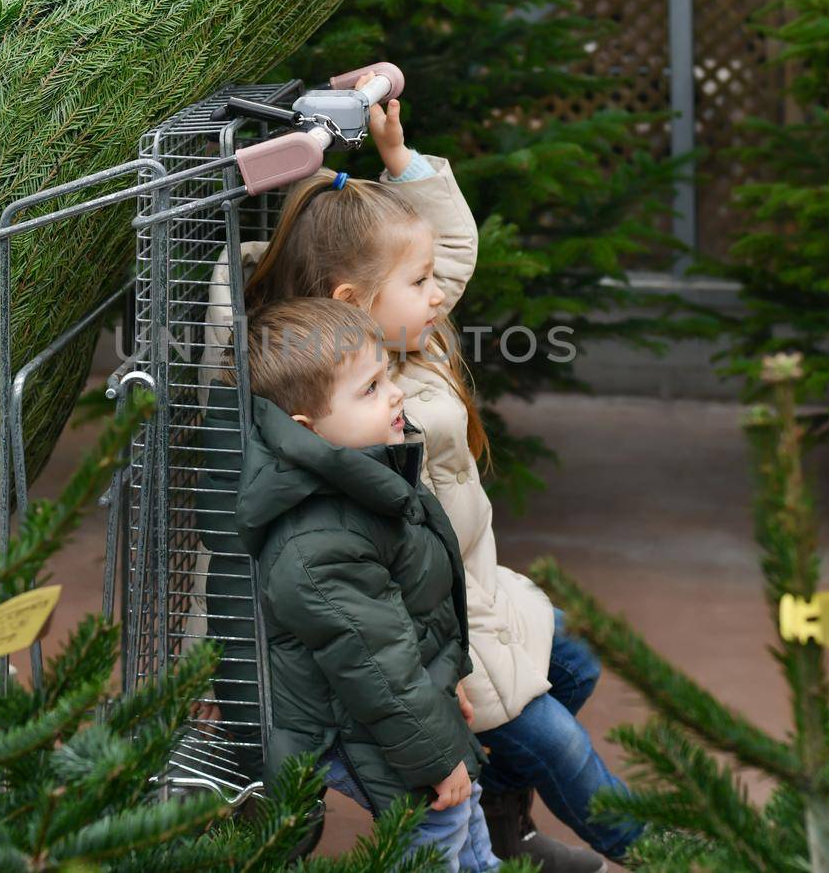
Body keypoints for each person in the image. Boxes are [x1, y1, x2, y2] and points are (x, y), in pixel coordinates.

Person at [219, 85, 643, 871]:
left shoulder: (396, 340)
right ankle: (670, 851)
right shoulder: (351, 398)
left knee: (571, 663)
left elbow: (440, 252)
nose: (440, 294)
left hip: (466, 584)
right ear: (354, 303)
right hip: (428, 627)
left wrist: (396, 157)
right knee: (558, 741)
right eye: (418, 286)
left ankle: (505, 818)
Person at [237, 297, 498, 872]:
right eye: (371, 388)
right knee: (437, 824)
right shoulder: (317, 540)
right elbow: (375, 665)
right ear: (309, 430)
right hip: (354, 724)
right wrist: (433, 756)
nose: (396, 393)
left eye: (387, 376)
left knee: (468, 815)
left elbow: (412, 613)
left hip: (403, 706)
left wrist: (448, 675)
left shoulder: (365, 475)